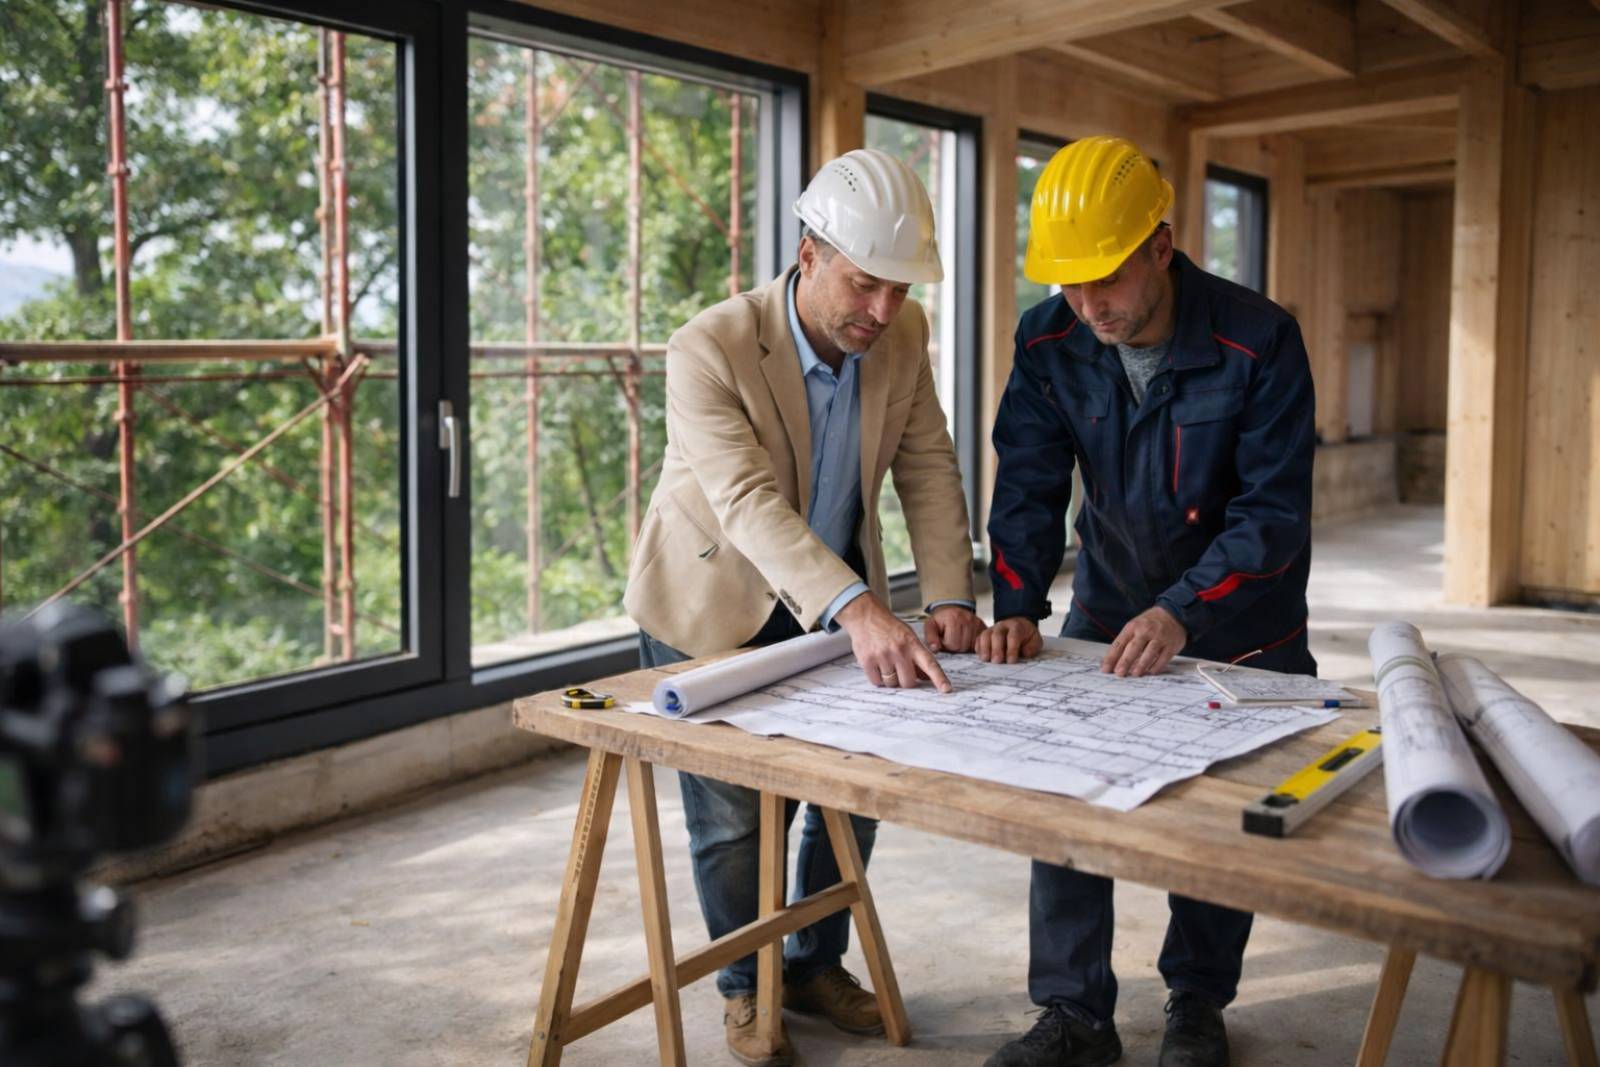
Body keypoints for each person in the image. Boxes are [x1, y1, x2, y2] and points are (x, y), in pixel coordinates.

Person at [624, 147, 984, 1067]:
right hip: (711, 597)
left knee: (855, 792)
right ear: (809, 253)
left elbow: (928, 465)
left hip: (834, 593)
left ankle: (814, 961)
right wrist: (859, 609)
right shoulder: (708, 345)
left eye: (901, 289)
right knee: (738, 817)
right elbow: (745, 501)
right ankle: (748, 985)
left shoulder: (903, 334)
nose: (884, 311)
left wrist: (949, 593)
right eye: (865, 284)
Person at [977, 136, 1318, 1067]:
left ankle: (1197, 1002)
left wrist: (1182, 610)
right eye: (1070, 283)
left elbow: (1272, 515)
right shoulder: (1049, 338)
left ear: (1161, 247)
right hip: (1107, 604)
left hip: (1241, 624)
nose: (1089, 305)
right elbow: (1029, 479)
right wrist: (1017, 600)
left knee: (1213, 819)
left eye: (1107, 278)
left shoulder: (1259, 339)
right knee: (1068, 794)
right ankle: (1074, 1012)